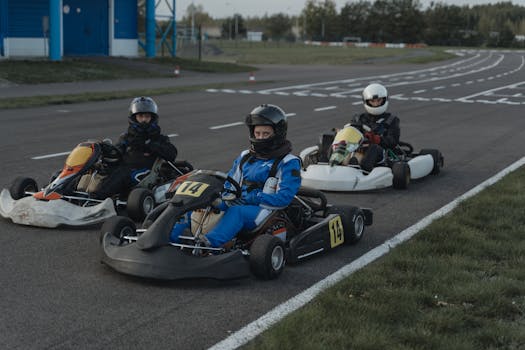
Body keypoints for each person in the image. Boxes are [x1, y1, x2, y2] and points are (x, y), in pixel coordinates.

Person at [170, 104, 302, 248]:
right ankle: (169, 237)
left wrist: (254, 197)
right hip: (237, 201)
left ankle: (207, 244)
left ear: (278, 134)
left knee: (237, 212)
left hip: (266, 210)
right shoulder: (245, 157)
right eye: (257, 133)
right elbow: (230, 183)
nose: (260, 137)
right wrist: (221, 196)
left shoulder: (288, 162)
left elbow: (284, 198)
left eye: (266, 134)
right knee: (199, 205)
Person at [91, 96, 177, 198]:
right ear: (134, 117)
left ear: (152, 118)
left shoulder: (159, 138)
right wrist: (106, 150)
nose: (144, 120)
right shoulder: (127, 137)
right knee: (96, 169)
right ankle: (73, 191)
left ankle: (96, 198)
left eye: (147, 116)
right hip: (125, 168)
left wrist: (148, 145)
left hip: (147, 174)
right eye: (140, 116)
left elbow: (172, 154)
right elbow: (116, 153)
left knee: (123, 174)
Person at [348, 83, 400, 171]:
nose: (376, 104)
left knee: (373, 148)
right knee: (331, 139)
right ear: (366, 101)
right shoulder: (358, 118)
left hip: (381, 152)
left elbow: (393, 141)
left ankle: (364, 169)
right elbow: (352, 131)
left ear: (384, 100)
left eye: (378, 100)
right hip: (358, 148)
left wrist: (377, 139)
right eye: (372, 101)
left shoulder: (391, 120)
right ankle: (328, 161)